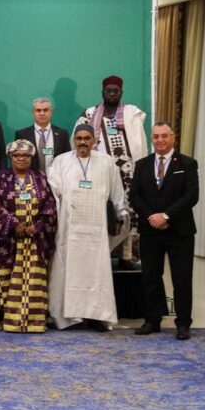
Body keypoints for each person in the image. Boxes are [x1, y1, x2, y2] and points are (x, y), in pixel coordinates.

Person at [47, 124, 128, 332]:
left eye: (87, 138)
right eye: (79, 138)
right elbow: (52, 192)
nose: (83, 142)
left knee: (96, 273)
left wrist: (120, 214)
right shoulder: (61, 161)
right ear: (74, 140)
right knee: (67, 271)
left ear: (94, 140)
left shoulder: (106, 162)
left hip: (96, 231)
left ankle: (97, 316)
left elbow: (117, 192)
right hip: (69, 229)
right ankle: (68, 317)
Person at [129, 122, 199, 340]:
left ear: (173, 137)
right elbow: (134, 196)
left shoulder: (187, 163)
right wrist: (152, 217)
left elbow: (191, 196)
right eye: (156, 136)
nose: (160, 140)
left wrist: (166, 216)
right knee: (151, 277)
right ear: (152, 139)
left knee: (182, 279)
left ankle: (183, 323)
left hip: (179, 231)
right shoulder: (142, 165)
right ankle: (153, 320)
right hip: (151, 231)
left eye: (164, 136)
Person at [0, 139, 57, 333]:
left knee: (33, 282)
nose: (21, 158)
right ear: (10, 157)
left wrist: (38, 225)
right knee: (6, 280)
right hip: (8, 241)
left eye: (25, 155)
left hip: (34, 242)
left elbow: (50, 205)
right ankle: (6, 320)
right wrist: (15, 224)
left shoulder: (40, 178)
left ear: (31, 158)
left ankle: (35, 322)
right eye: (17, 155)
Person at [76, 75, 147, 267]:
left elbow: (140, 143)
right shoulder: (90, 114)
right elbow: (78, 142)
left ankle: (127, 256)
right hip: (99, 173)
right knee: (100, 211)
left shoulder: (131, 113)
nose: (112, 94)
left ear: (121, 93)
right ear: (103, 92)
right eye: (109, 91)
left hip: (128, 174)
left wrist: (141, 171)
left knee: (128, 212)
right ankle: (100, 255)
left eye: (116, 91)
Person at [15, 97, 70, 172]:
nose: (42, 113)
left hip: (56, 176)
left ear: (51, 112)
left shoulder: (62, 134)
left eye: (45, 110)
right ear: (33, 113)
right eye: (38, 110)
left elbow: (67, 159)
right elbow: (17, 160)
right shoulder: (22, 134)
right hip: (30, 177)